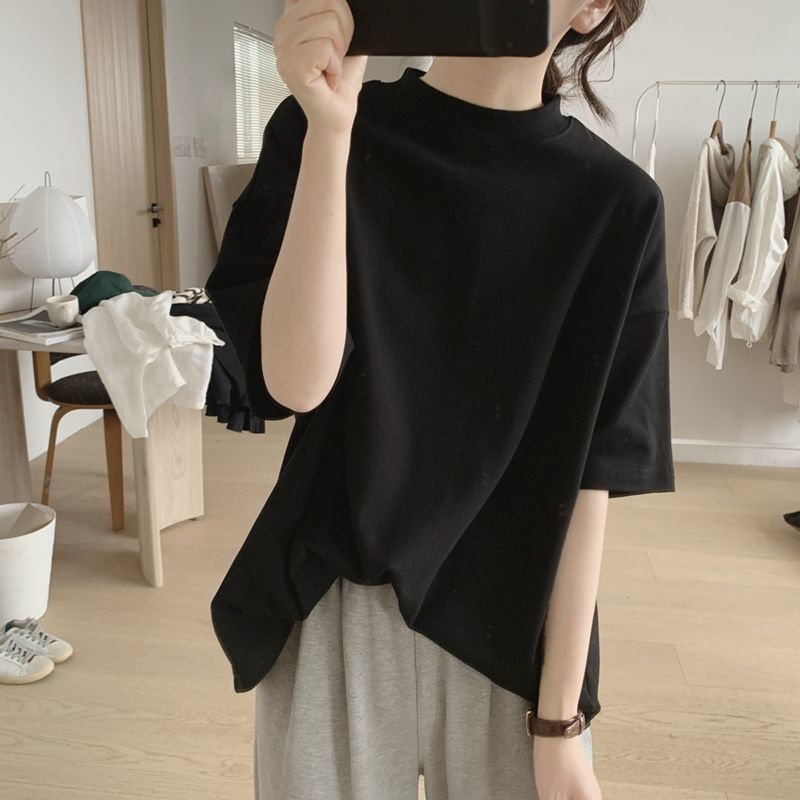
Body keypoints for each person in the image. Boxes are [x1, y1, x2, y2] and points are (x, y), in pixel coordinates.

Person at [204, 1, 675, 798]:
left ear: (597, 6)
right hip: (337, 604)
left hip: (515, 627)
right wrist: (331, 132)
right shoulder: (322, 123)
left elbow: (589, 478)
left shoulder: (618, 205)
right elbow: (296, 383)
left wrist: (561, 720)